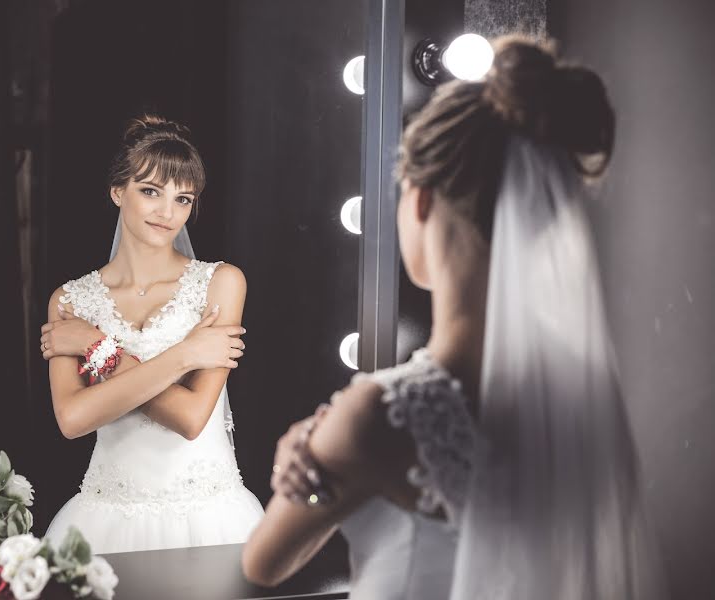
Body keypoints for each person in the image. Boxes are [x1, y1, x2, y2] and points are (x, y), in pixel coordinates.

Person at [242, 35, 667, 599]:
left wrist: (315, 453)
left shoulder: (382, 415)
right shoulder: (582, 398)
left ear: (419, 200)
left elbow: (263, 565)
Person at [40, 114, 263, 553]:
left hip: (211, 520)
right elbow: (72, 420)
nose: (167, 212)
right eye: (150, 191)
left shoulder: (221, 283)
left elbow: (191, 418)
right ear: (117, 191)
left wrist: (95, 346)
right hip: (103, 520)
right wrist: (185, 355)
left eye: (183, 199)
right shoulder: (69, 301)